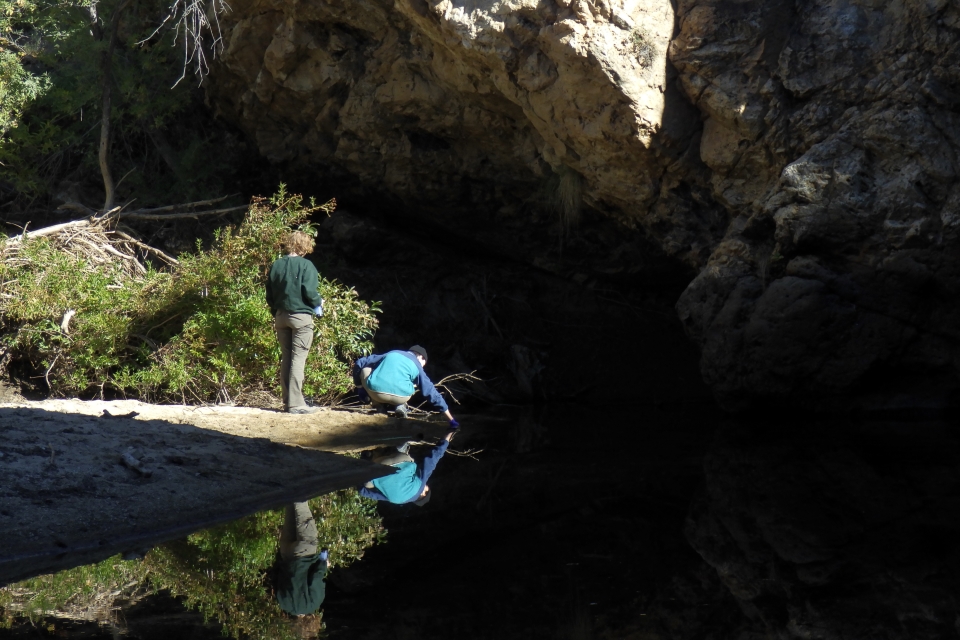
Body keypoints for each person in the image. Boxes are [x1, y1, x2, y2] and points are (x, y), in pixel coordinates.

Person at [266, 231, 324, 414]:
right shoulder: (307, 265)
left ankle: (287, 401)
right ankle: (297, 404)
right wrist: (319, 303)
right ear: (304, 246)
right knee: (298, 359)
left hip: (281, 316)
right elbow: (310, 292)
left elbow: (269, 295)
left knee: (287, 358)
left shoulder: (276, 265)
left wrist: (276, 311)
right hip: (301, 318)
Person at [353, 345, 459, 426]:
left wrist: (360, 387)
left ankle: (379, 406)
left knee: (366, 369)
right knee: (413, 383)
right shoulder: (417, 365)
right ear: (421, 357)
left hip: (376, 392)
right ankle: (401, 405)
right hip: (401, 397)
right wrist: (451, 420)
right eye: (423, 363)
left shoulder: (392, 353)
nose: (422, 366)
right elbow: (432, 393)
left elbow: (360, 362)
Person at [359, 431, 456, 506]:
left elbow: (432, 459)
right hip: (377, 467)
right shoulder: (397, 501)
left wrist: (447, 438)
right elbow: (364, 492)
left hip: (399, 459)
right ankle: (367, 457)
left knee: (410, 462)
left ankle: (401, 442)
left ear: (423, 494)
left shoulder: (420, 485)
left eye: (427, 488)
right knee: (369, 484)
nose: (426, 485)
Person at [274, 502, 328, 616]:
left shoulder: (313, 604)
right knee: (289, 507)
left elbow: (316, 578)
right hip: (286, 553)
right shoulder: (284, 604)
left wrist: (323, 562)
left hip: (304, 552)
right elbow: (276, 577)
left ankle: (297, 485)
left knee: (301, 505)